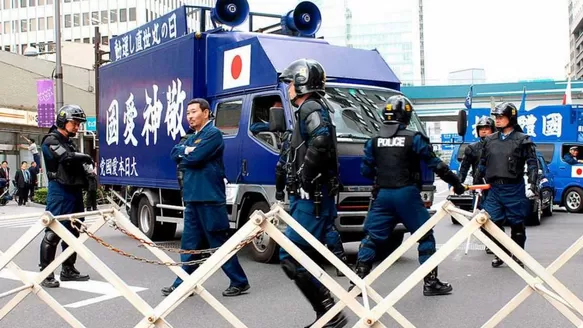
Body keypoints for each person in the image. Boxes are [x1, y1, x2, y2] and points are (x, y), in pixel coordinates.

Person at [349, 95, 467, 297]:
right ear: (406, 115)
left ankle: (358, 282)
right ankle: (430, 283)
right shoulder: (414, 138)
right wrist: (457, 183)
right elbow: (436, 164)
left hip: (383, 195)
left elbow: (366, 171)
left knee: (371, 238)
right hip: (407, 194)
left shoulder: (374, 141)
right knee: (425, 236)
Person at [276, 58, 347, 328]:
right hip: (311, 197)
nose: (288, 88)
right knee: (305, 255)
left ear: (301, 82)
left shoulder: (311, 107)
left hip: (311, 198)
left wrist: (304, 176)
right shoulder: (310, 108)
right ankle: (327, 314)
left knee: (290, 255)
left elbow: (320, 139)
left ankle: (331, 314)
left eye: (290, 82)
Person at [162, 98, 250, 297]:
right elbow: (174, 153)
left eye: (193, 112)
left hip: (209, 198)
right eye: (188, 113)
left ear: (206, 113)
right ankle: (183, 283)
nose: (190, 116)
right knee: (190, 244)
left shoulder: (213, 134)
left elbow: (194, 159)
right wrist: (187, 152)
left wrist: (186, 154)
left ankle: (239, 281)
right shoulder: (192, 136)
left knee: (218, 242)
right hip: (193, 198)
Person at [477, 102, 538, 268]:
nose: (497, 120)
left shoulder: (522, 140)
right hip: (494, 188)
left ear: (511, 118)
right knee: (491, 222)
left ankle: (518, 254)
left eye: (501, 117)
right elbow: (482, 163)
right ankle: (501, 253)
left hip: (513, 187)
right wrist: (476, 181)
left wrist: (532, 184)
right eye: (496, 117)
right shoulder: (489, 140)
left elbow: (533, 163)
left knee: (516, 223)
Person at [39, 104, 94, 288]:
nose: (77, 127)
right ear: (63, 120)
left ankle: (68, 269)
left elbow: (75, 161)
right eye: (74, 123)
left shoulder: (68, 142)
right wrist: (85, 157)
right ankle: (46, 272)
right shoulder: (51, 140)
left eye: (79, 123)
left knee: (75, 231)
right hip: (60, 191)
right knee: (53, 232)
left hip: (74, 190)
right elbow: (66, 158)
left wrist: (90, 178)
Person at [457, 117, 495, 254]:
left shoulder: (498, 146)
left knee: (494, 215)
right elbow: (464, 168)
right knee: (479, 215)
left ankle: (493, 242)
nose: (484, 131)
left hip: (494, 186)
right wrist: (458, 183)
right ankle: (486, 240)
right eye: (481, 129)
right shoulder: (472, 148)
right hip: (478, 186)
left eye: (487, 129)